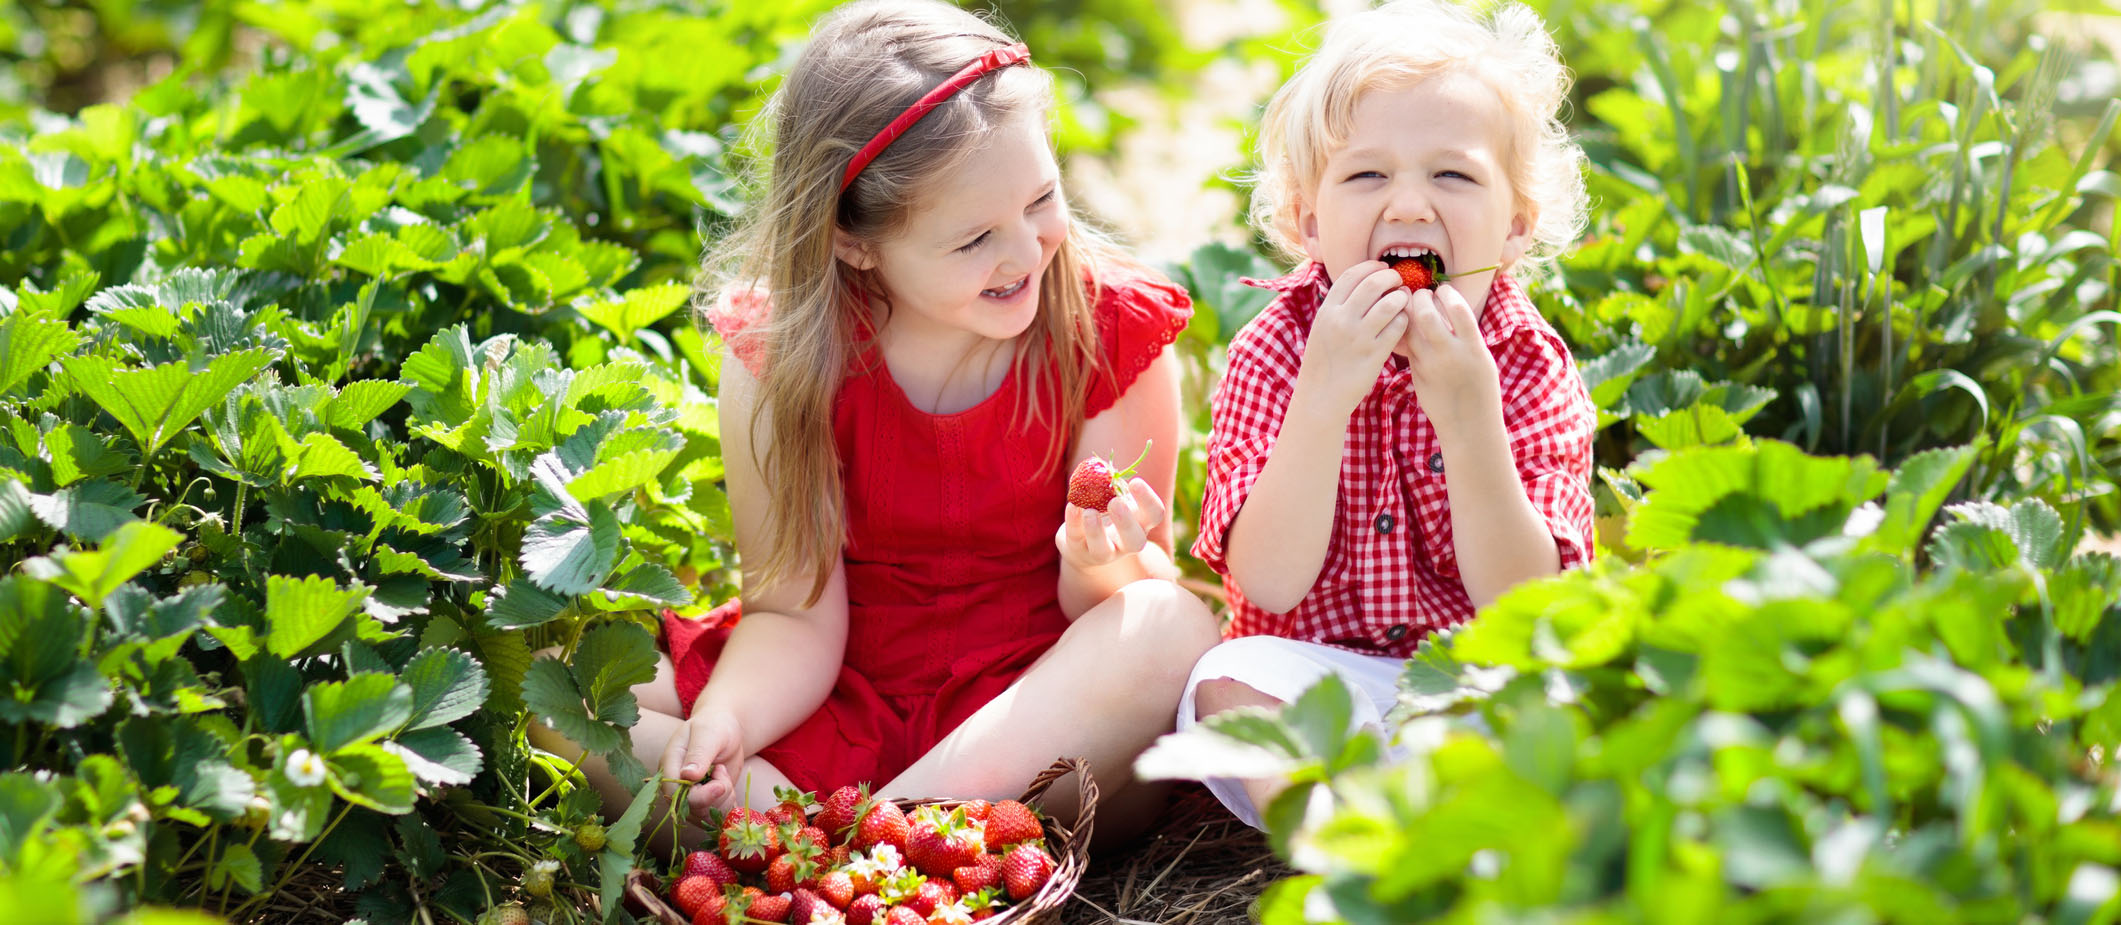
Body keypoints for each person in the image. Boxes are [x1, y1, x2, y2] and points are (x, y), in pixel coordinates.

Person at [528, 0, 1220, 849]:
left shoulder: (1107, 330)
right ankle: (906, 850)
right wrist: (727, 715)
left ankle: (837, 851)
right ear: (854, 242)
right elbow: (791, 613)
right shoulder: (785, 354)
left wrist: (1103, 554)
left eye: (1043, 198)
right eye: (972, 239)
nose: (1025, 251)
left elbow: (1108, 605)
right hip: (848, 678)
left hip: (1030, 705)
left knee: (1169, 624)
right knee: (562, 705)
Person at [1180, 0, 1596, 827]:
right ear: (1307, 220)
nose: (1408, 206)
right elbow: (1264, 580)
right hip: (1319, 677)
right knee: (1221, 683)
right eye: (1366, 176)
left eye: (1452, 174)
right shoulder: (1275, 349)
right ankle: (1348, 834)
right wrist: (1324, 394)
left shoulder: (1524, 361)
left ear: (1514, 227)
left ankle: (1444, 815)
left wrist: (1469, 418)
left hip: (1472, 682)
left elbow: (1527, 603)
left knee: (1565, 698)